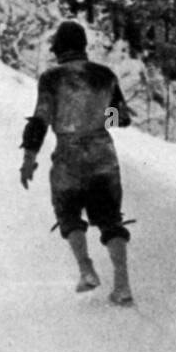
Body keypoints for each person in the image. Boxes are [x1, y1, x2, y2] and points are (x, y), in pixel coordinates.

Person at [19, 21, 135, 305]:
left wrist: (29, 159)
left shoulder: (51, 79)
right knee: (110, 219)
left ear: (59, 48)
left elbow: (40, 120)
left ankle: (86, 270)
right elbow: (122, 118)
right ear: (83, 46)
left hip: (68, 158)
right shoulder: (105, 76)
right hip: (102, 155)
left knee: (69, 214)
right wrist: (95, 118)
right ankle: (122, 285)